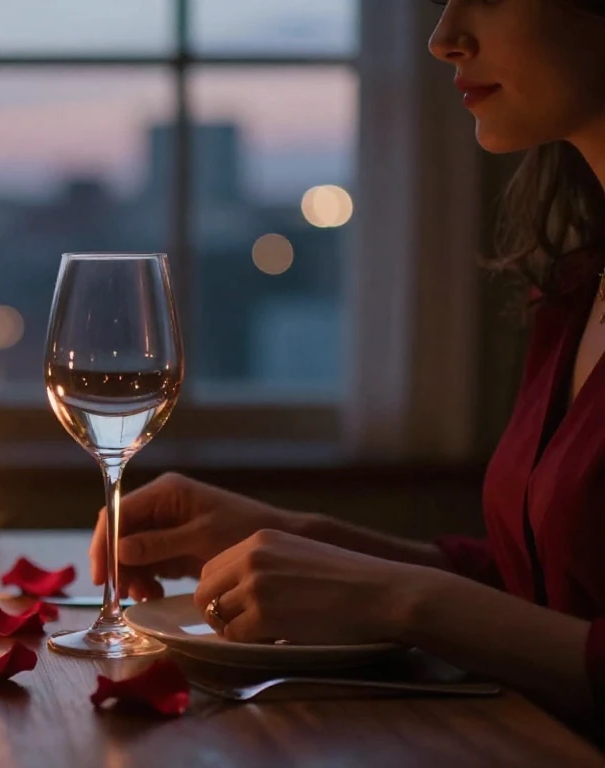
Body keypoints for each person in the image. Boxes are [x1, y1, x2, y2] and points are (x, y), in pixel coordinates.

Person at [93, 0, 605, 725]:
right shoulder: (574, 284)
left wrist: (401, 600)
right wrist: (298, 536)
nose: (443, 39)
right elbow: (543, 594)